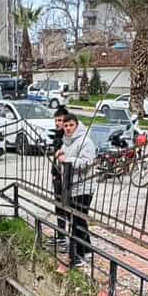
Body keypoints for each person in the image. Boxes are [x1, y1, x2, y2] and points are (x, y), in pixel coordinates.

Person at [55, 109, 96, 267]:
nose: (68, 128)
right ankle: (86, 250)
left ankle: (78, 254)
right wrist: (60, 157)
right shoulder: (67, 142)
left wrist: (67, 160)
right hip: (72, 186)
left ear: (77, 126)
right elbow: (64, 161)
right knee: (77, 219)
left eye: (71, 125)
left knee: (78, 219)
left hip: (84, 185)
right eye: (66, 125)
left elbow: (86, 163)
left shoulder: (85, 142)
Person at [49, 105, 70, 242]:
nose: (58, 123)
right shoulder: (57, 136)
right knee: (58, 206)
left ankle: (68, 237)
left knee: (66, 207)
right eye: (56, 120)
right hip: (57, 175)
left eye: (60, 120)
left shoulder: (67, 138)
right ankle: (61, 234)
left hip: (66, 177)